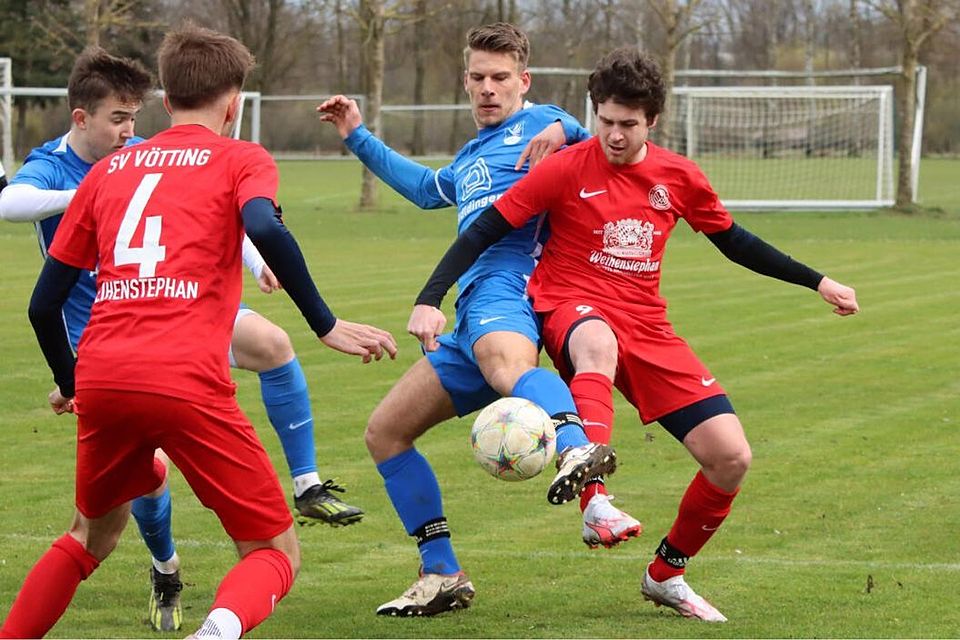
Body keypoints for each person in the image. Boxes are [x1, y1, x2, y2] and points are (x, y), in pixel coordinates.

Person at [409, 46, 860, 623]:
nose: (614, 136)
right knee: (597, 343)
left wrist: (817, 281)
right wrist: (429, 296)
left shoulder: (677, 177)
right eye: (605, 122)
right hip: (569, 304)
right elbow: (484, 230)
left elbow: (736, 241)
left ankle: (666, 574)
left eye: (627, 125)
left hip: (647, 323)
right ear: (594, 112)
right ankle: (594, 501)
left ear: (652, 121)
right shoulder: (565, 167)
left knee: (731, 457)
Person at [0, 24, 397, 639]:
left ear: (163, 96)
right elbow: (263, 225)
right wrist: (325, 322)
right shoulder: (241, 157)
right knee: (274, 552)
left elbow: (41, 305)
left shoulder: (111, 169)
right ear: (234, 102)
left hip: (104, 375)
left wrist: (71, 381)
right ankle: (216, 630)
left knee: (87, 539)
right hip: (185, 377)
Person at [317, 22, 617, 617]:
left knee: (508, 365)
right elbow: (429, 189)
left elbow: (594, 134)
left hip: (509, 288)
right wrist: (357, 136)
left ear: (523, 81)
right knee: (385, 432)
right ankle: (442, 572)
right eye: (477, 77)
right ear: (465, 81)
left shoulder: (542, 124)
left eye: (501, 78)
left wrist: (562, 125)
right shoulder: (471, 154)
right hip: (471, 307)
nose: (488, 88)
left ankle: (577, 447)